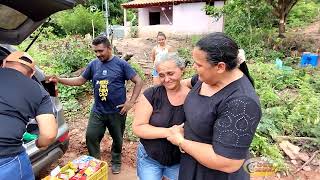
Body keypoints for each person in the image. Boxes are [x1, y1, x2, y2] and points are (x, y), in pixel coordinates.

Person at [167, 32, 262, 180]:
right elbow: (187, 83)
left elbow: (227, 162)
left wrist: (180, 141)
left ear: (220, 67)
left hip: (215, 174)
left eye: (198, 65)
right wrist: (168, 83)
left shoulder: (242, 103)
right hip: (193, 164)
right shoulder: (207, 78)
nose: (194, 67)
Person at [48, 35, 143, 174]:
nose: (98, 54)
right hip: (98, 110)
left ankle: (116, 161)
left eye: (101, 51)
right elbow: (80, 80)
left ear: (109, 48)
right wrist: (59, 79)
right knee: (91, 136)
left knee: (117, 139)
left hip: (117, 111)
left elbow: (138, 81)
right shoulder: (94, 64)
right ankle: (95, 162)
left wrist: (130, 102)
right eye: (95, 51)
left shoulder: (121, 64)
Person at [0, 51, 58, 180]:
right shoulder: (37, 90)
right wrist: (39, 143)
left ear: (3, 63)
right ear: (32, 74)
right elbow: (49, 134)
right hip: (6, 158)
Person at [133, 53, 189, 180]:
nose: (166, 79)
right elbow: (138, 128)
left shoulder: (192, 97)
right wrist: (170, 131)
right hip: (150, 158)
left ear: (182, 70)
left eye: (170, 73)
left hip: (178, 161)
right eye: (161, 75)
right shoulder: (151, 95)